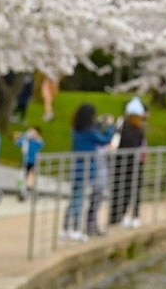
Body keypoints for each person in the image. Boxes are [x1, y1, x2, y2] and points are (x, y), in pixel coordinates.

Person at [63, 103, 114, 241]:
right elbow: (104, 140)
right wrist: (110, 127)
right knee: (79, 200)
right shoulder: (90, 132)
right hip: (86, 168)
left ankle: (65, 228)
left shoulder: (77, 130)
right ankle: (74, 230)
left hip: (76, 167)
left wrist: (98, 124)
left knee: (74, 198)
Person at [110, 99, 148, 228]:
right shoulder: (138, 129)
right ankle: (129, 215)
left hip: (120, 163)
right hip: (133, 163)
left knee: (119, 188)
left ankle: (117, 216)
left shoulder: (122, 126)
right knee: (131, 189)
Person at [16, 125, 45, 201]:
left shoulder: (37, 142)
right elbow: (17, 142)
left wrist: (36, 137)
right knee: (21, 176)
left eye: (34, 132)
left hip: (33, 162)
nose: (32, 133)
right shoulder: (25, 140)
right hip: (24, 161)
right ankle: (20, 190)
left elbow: (41, 143)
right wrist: (21, 136)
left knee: (31, 177)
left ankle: (30, 190)